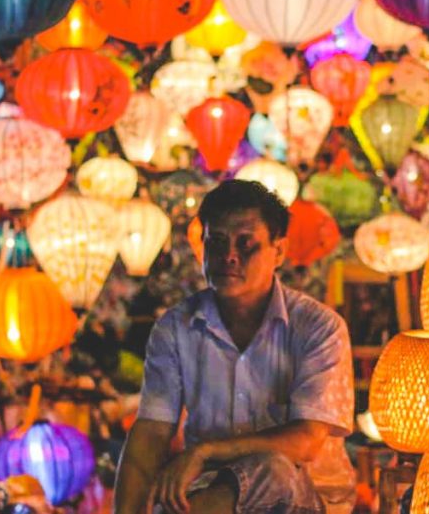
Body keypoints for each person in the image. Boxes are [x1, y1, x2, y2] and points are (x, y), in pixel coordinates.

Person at [114, 180, 356, 514]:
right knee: (167, 497)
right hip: (212, 496)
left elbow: (307, 441)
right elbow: (151, 432)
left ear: (279, 251)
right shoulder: (175, 328)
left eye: (246, 244)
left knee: (274, 468)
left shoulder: (318, 328)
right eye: (217, 242)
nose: (229, 256)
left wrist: (206, 452)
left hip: (305, 501)